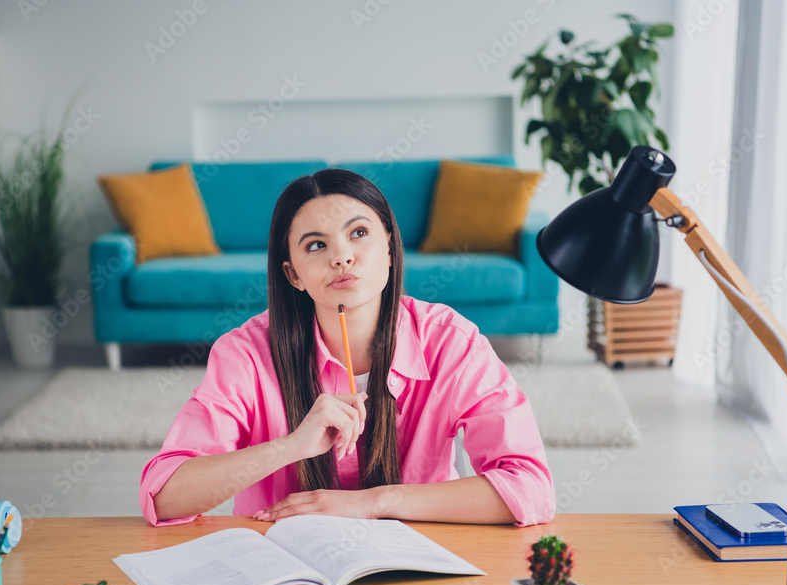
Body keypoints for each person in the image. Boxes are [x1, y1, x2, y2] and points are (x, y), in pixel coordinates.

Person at [140, 169, 555, 527]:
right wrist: (290, 447)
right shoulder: (245, 353)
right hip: (282, 571)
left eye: (358, 233)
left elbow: (531, 489)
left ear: (390, 250)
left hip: (419, 562)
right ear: (294, 274)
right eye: (316, 245)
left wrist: (374, 503)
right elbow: (163, 496)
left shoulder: (451, 342)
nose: (342, 257)